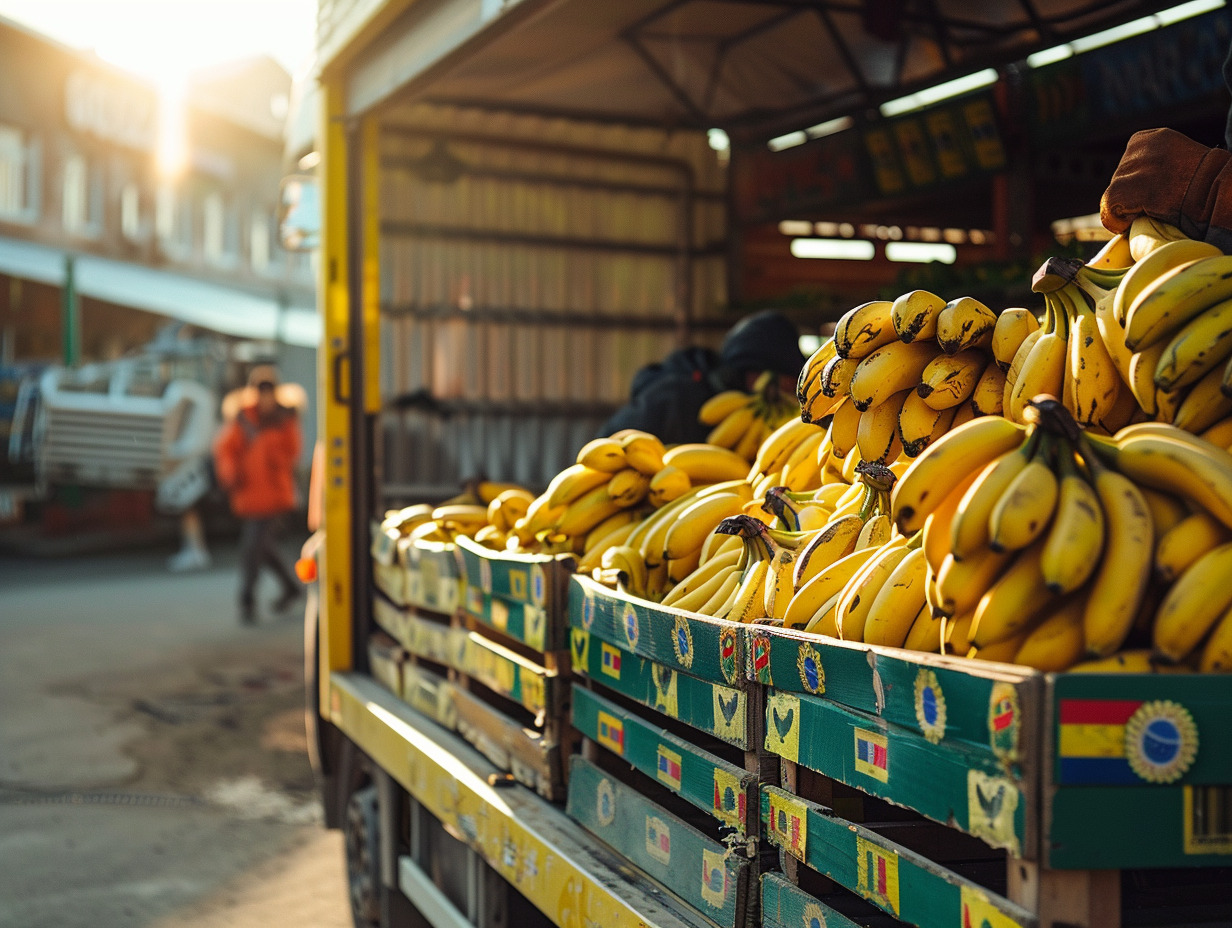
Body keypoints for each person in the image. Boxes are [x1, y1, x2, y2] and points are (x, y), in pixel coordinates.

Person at [598, 310, 807, 444]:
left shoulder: (751, 424)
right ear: (754, 372)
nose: (786, 392)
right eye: (784, 383)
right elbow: (605, 447)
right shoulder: (677, 397)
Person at [213, 365, 304, 625]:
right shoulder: (242, 419)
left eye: (269, 391)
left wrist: (268, 450)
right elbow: (225, 450)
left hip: (274, 496)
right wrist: (230, 474)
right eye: (260, 391)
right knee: (262, 549)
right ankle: (291, 588)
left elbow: (292, 453)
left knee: (253, 548)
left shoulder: (285, 419)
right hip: (250, 494)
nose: (265, 397)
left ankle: (247, 601)